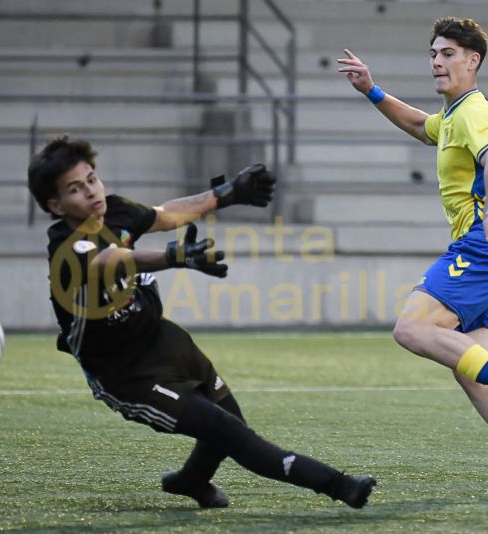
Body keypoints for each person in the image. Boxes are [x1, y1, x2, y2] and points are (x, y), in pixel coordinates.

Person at [27, 135, 376, 509]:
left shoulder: (116, 211)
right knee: (229, 433)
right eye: (75, 189)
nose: (91, 192)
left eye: (92, 179)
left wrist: (225, 195)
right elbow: (106, 260)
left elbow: (164, 215)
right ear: (55, 204)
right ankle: (340, 486)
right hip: (125, 374)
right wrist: (171, 257)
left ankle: (191, 480)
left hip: (164, 339)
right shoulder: (65, 245)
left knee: (231, 421)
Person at [338, 17, 488, 495]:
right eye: (433, 54)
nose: (437, 62)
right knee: (469, 369)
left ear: (472, 60)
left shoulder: (474, 113)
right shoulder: (452, 116)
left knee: (412, 328)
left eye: (447, 54)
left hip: (483, 248)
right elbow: (421, 126)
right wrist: (372, 91)